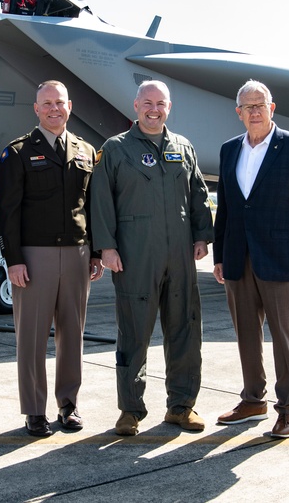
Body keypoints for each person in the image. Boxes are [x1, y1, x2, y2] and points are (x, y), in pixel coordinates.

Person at [89, 80, 214, 436]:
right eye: (147, 102)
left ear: (169, 108)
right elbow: (101, 201)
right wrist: (106, 247)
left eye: (160, 103)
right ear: (136, 106)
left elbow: (198, 195)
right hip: (134, 255)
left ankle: (181, 405)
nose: (154, 109)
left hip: (179, 255)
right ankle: (130, 410)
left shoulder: (183, 147)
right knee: (133, 333)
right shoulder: (115, 149)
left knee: (185, 331)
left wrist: (202, 236)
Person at [212, 80, 289, 439]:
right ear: (238, 113)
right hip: (237, 259)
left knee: (283, 337)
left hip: (279, 260)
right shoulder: (230, 150)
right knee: (246, 335)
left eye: (261, 105)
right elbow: (226, 209)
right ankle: (253, 400)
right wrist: (219, 256)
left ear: (272, 109)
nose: (255, 111)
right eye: (248, 106)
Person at [0, 81, 104, 438]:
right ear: (36, 108)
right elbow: (8, 213)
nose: (54, 109)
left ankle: (68, 405)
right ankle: (34, 411)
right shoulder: (19, 152)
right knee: (32, 337)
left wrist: (97, 253)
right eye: (47, 103)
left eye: (60, 102)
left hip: (77, 254)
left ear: (70, 106)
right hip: (34, 255)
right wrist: (13, 259)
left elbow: (92, 207)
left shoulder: (86, 151)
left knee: (72, 335)